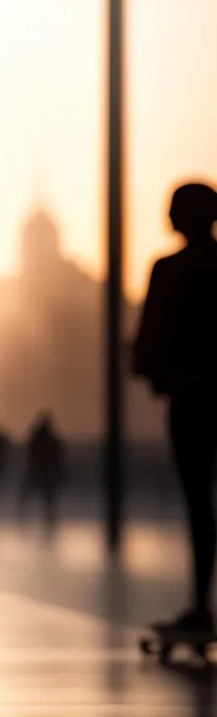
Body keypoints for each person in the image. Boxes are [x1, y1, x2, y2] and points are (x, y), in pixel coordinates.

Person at [133, 182, 217, 639]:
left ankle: (201, 606)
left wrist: (157, 373)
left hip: (190, 399)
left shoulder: (169, 269)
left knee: (199, 502)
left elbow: (152, 339)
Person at [19, 412, 65, 530]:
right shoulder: (41, 438)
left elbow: (57, 457)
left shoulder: (42, 438)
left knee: (44, 500)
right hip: (39, 471)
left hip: (43, 472)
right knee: (36, 498)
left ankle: (45, 523)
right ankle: (23, 520)